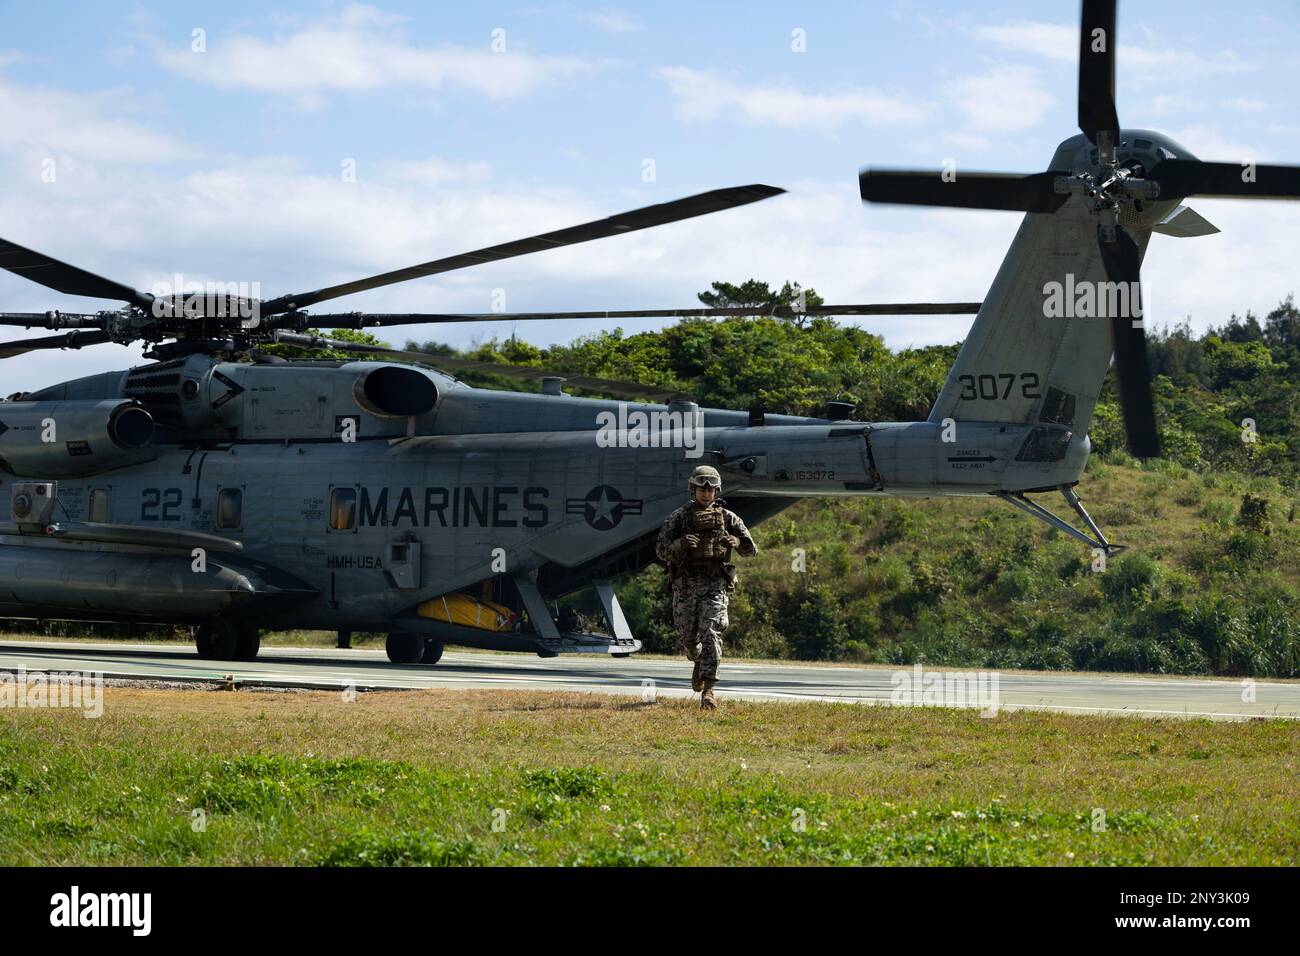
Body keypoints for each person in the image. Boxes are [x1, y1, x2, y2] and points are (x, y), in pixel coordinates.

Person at [654, 464, 758, 709]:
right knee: (688, 637)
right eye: (702, 488)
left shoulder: (729, 518)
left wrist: (735, 541)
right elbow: (660, 549)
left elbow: (751, 550)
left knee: (712, 632)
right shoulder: (679, 517)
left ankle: (709, 691)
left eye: (711, 489)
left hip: (715, 585)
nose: (706, 493)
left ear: (717, 491)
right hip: (685, 585)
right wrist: (679, 544)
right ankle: (697, 659)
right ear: (693, 489)